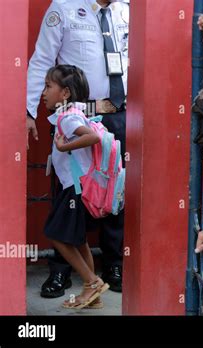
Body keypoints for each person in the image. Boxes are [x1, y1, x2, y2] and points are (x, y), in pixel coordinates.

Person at [27, 0, 129, 297]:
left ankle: (113, 265)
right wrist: (29, 111)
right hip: (75, 115)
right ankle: (61, 271)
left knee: (113, 190)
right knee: (69, 189)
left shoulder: (126, 11)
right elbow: (42, 59)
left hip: (118, 114)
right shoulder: (65, 7)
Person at [42, 65, 110, 309]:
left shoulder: (68, 117)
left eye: (49, 86)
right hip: (79, 187)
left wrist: (63, 148)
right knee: (79, 241)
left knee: (55, 234)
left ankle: (92, 282)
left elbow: (93, 137)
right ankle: (93, 295)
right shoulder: (73, 113)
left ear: (65, 93)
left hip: (74, 187)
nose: (44, 92)